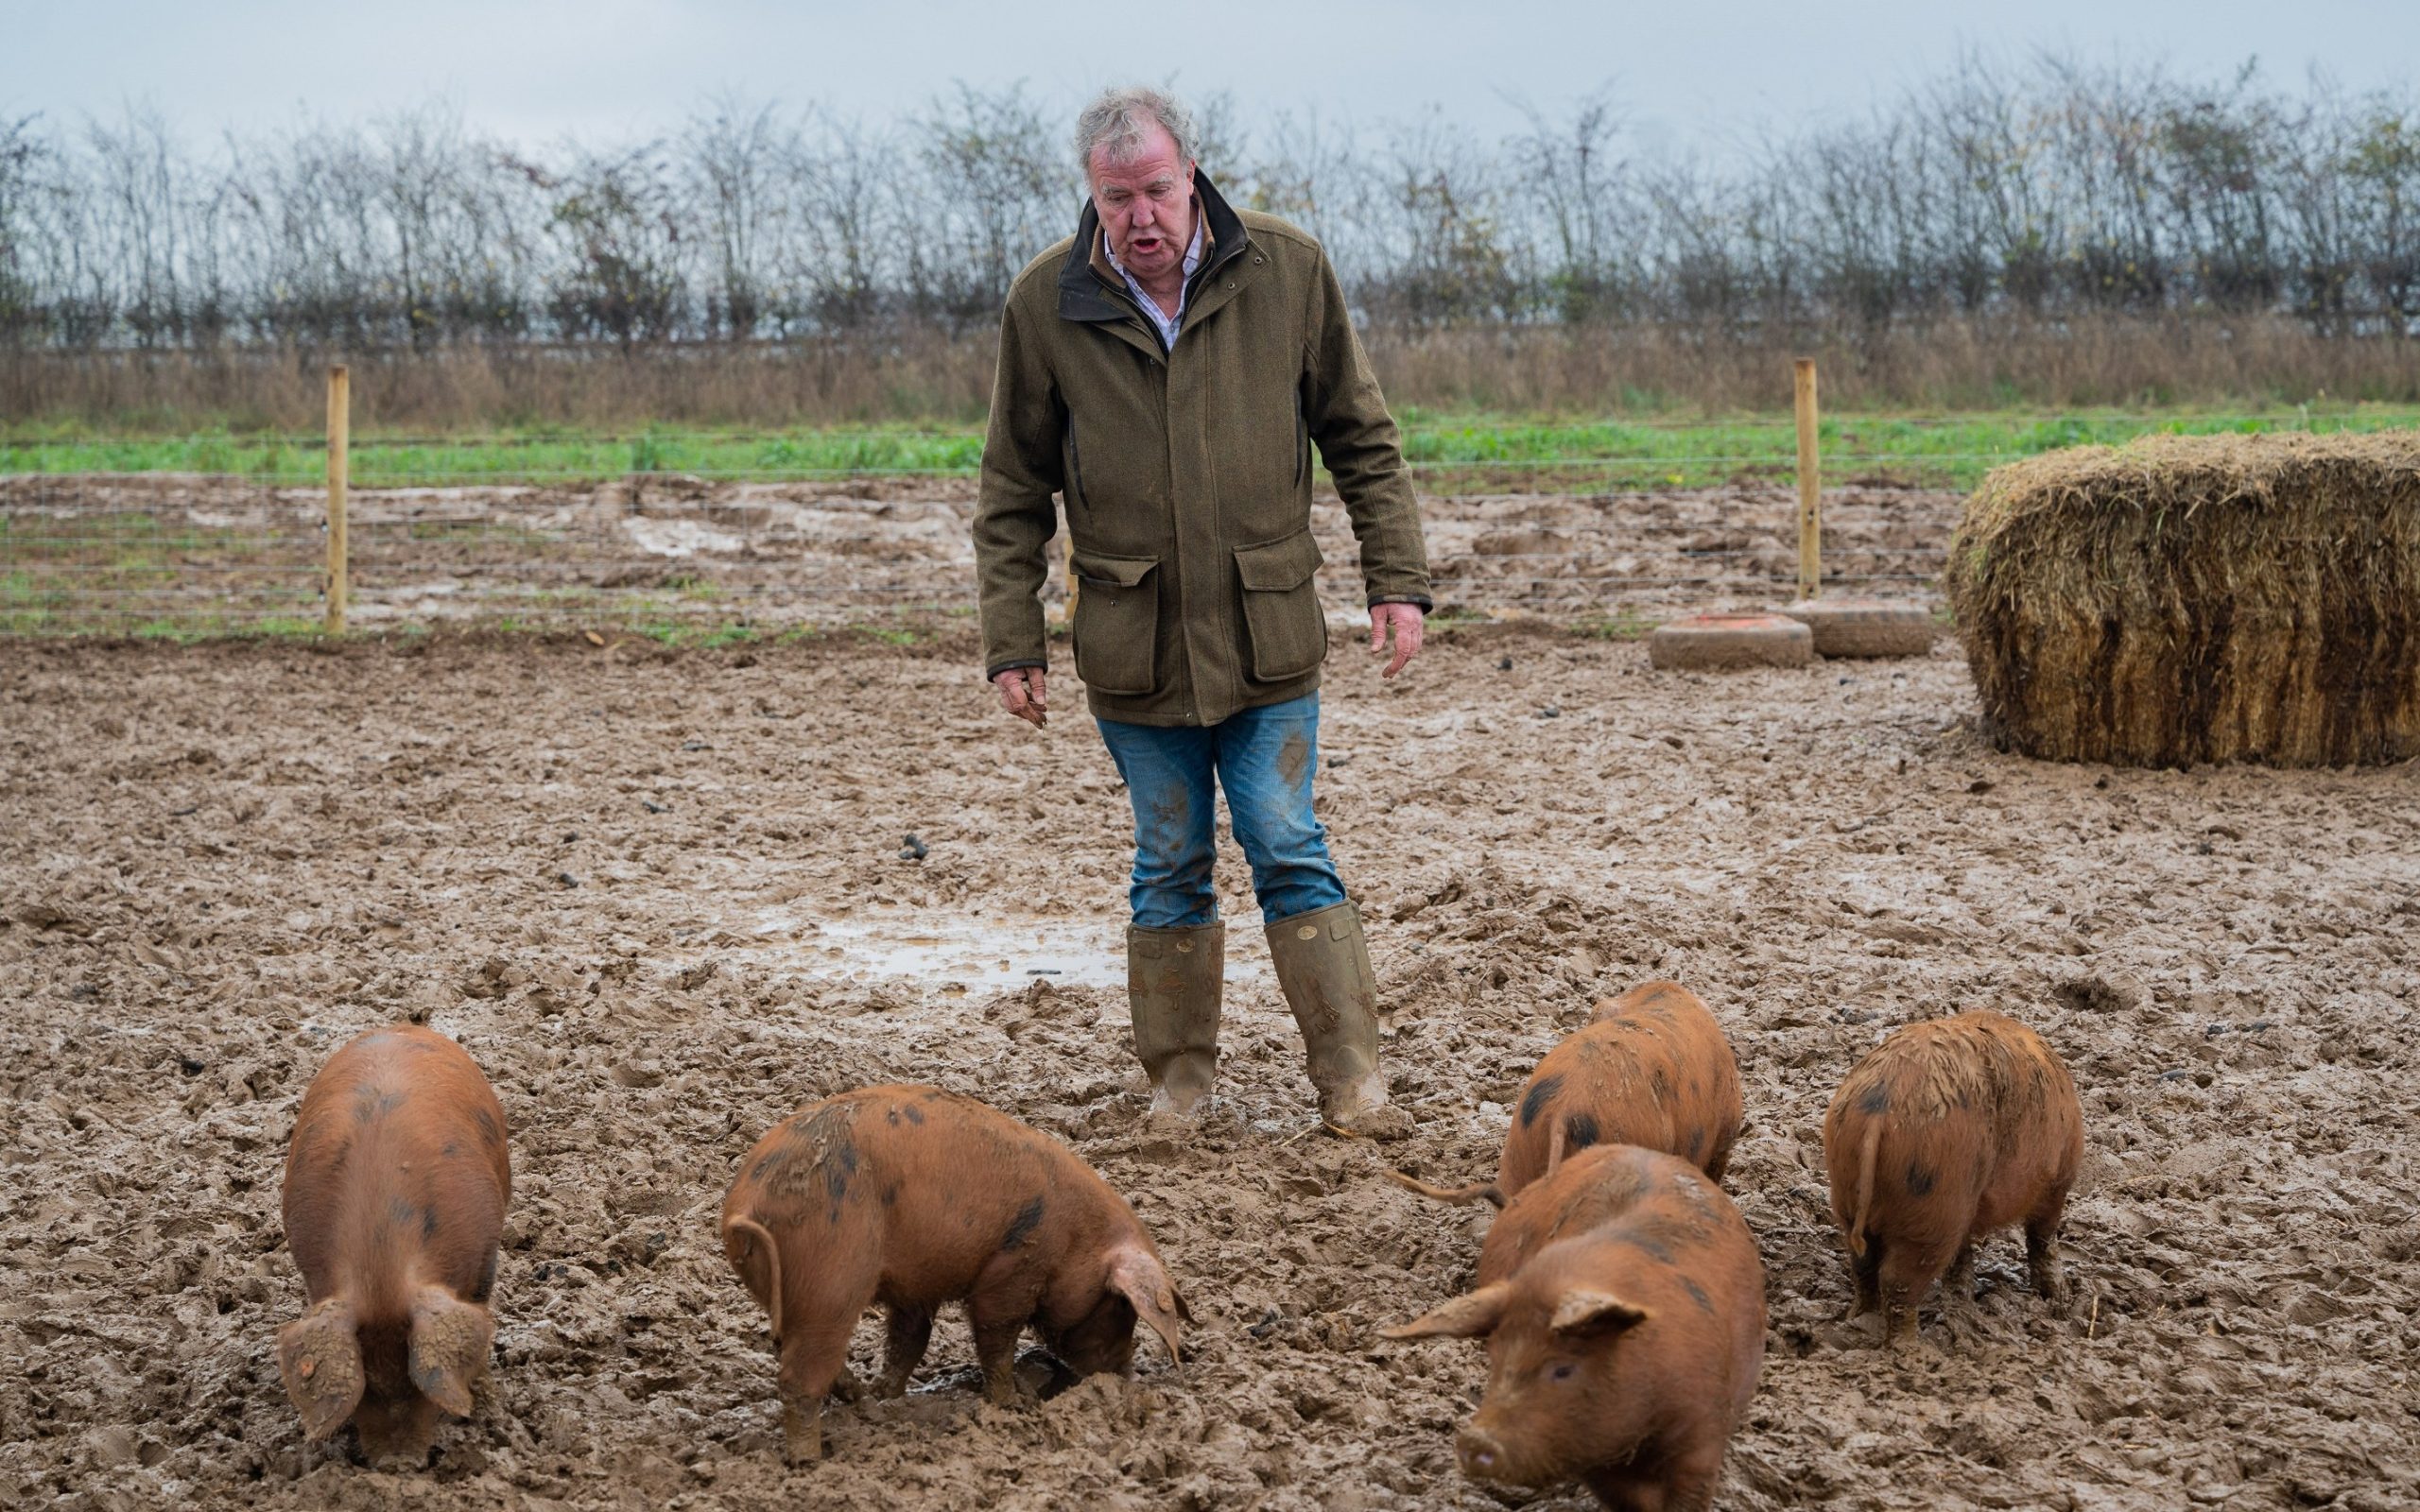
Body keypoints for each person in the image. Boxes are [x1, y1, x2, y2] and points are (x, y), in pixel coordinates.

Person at [973, 85, 1432, 1137]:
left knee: (1284, 837)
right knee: (1167, 859)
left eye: (1157, 190)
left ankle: (1351, 1078)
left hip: (1267, 633)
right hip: (1134, 649)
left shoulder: (1287, 269)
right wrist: (1013, 637)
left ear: (1194, 178)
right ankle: (1180, 1080)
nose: (1140, 216)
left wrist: (1396, 580)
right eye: (1116, 196)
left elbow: (1361, 438)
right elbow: (1010, 490)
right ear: (1091, 196)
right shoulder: (1046, 303)